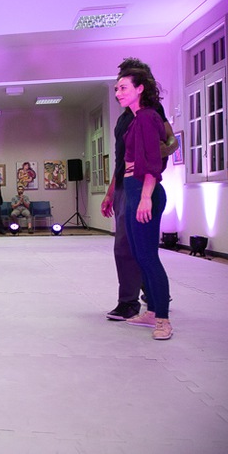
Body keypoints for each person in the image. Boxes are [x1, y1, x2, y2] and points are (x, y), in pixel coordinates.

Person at [101, 58, 178, 321]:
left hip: (143, 185)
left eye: (124, 86)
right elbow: (122, 160)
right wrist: (111, 192)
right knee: (132, 248)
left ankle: (137, 302)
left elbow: (170, 142)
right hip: (126, 185)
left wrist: (151, 161)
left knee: (136, 249)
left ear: (140, 86)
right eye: (117, 87)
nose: (118, 92)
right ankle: (152, 297)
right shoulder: (127, 119)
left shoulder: (149, 113)